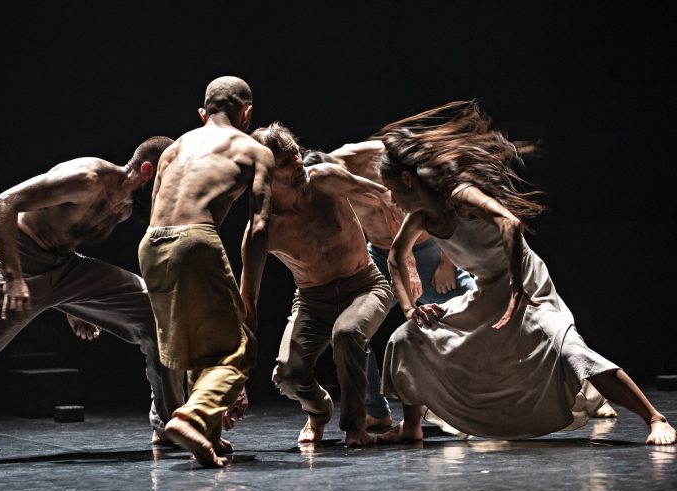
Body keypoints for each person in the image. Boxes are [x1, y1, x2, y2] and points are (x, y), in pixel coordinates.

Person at [373, 100, 675, 445]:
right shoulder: (420, 218)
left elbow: (509, 223)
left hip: (526, 281)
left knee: (569, 351)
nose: (390, 197)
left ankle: (655, 417)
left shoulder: (460, 195)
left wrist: (518, 289)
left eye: (392, 188)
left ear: (408, 180)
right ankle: (410, 427)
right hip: (487, 289)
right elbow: (396, 258)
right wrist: (411, 308)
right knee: (407, 338)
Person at [0, 136, 185, 444]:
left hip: (65, 266)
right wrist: (14, 277)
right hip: (17, 260)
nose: (173, 188)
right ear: (148, 171)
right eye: (170, 177)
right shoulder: (87, 179)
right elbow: (3, 205)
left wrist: (75, 301)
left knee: (160, 313)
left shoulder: (123, 208)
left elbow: (66, 241)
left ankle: (171, 426)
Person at [139, 76, 274, 468]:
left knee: (201, 346)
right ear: (246, 113)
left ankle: (207, 435)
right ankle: (189, 418)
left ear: (203, 113)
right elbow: (260, 228)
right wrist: (249, 295)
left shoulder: (174, 147)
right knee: (238, 347)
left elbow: (155, 211)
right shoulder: (253, 149)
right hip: (194, 240)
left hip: (151, 244)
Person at [303, 143, 475, 430]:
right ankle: (376, 410)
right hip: (382, 256)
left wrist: (447, 261)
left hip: (428, 252)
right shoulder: (321, 186)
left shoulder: (372, 155)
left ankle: (476, 399)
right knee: (350, 329)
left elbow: (439, 194)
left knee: (476, 313)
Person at [245, 122, 394, 447]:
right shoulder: (265, 228)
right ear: (266, 174)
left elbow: (382, 193)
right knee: (287, 373)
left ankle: (355, 427)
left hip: (366, 285)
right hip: (313, 301)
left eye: (296, 154)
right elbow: (247, 298)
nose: (298, 163)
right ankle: (318, 410)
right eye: (286, 162)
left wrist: (403, 249)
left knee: (348, 333)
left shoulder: (325, 179)